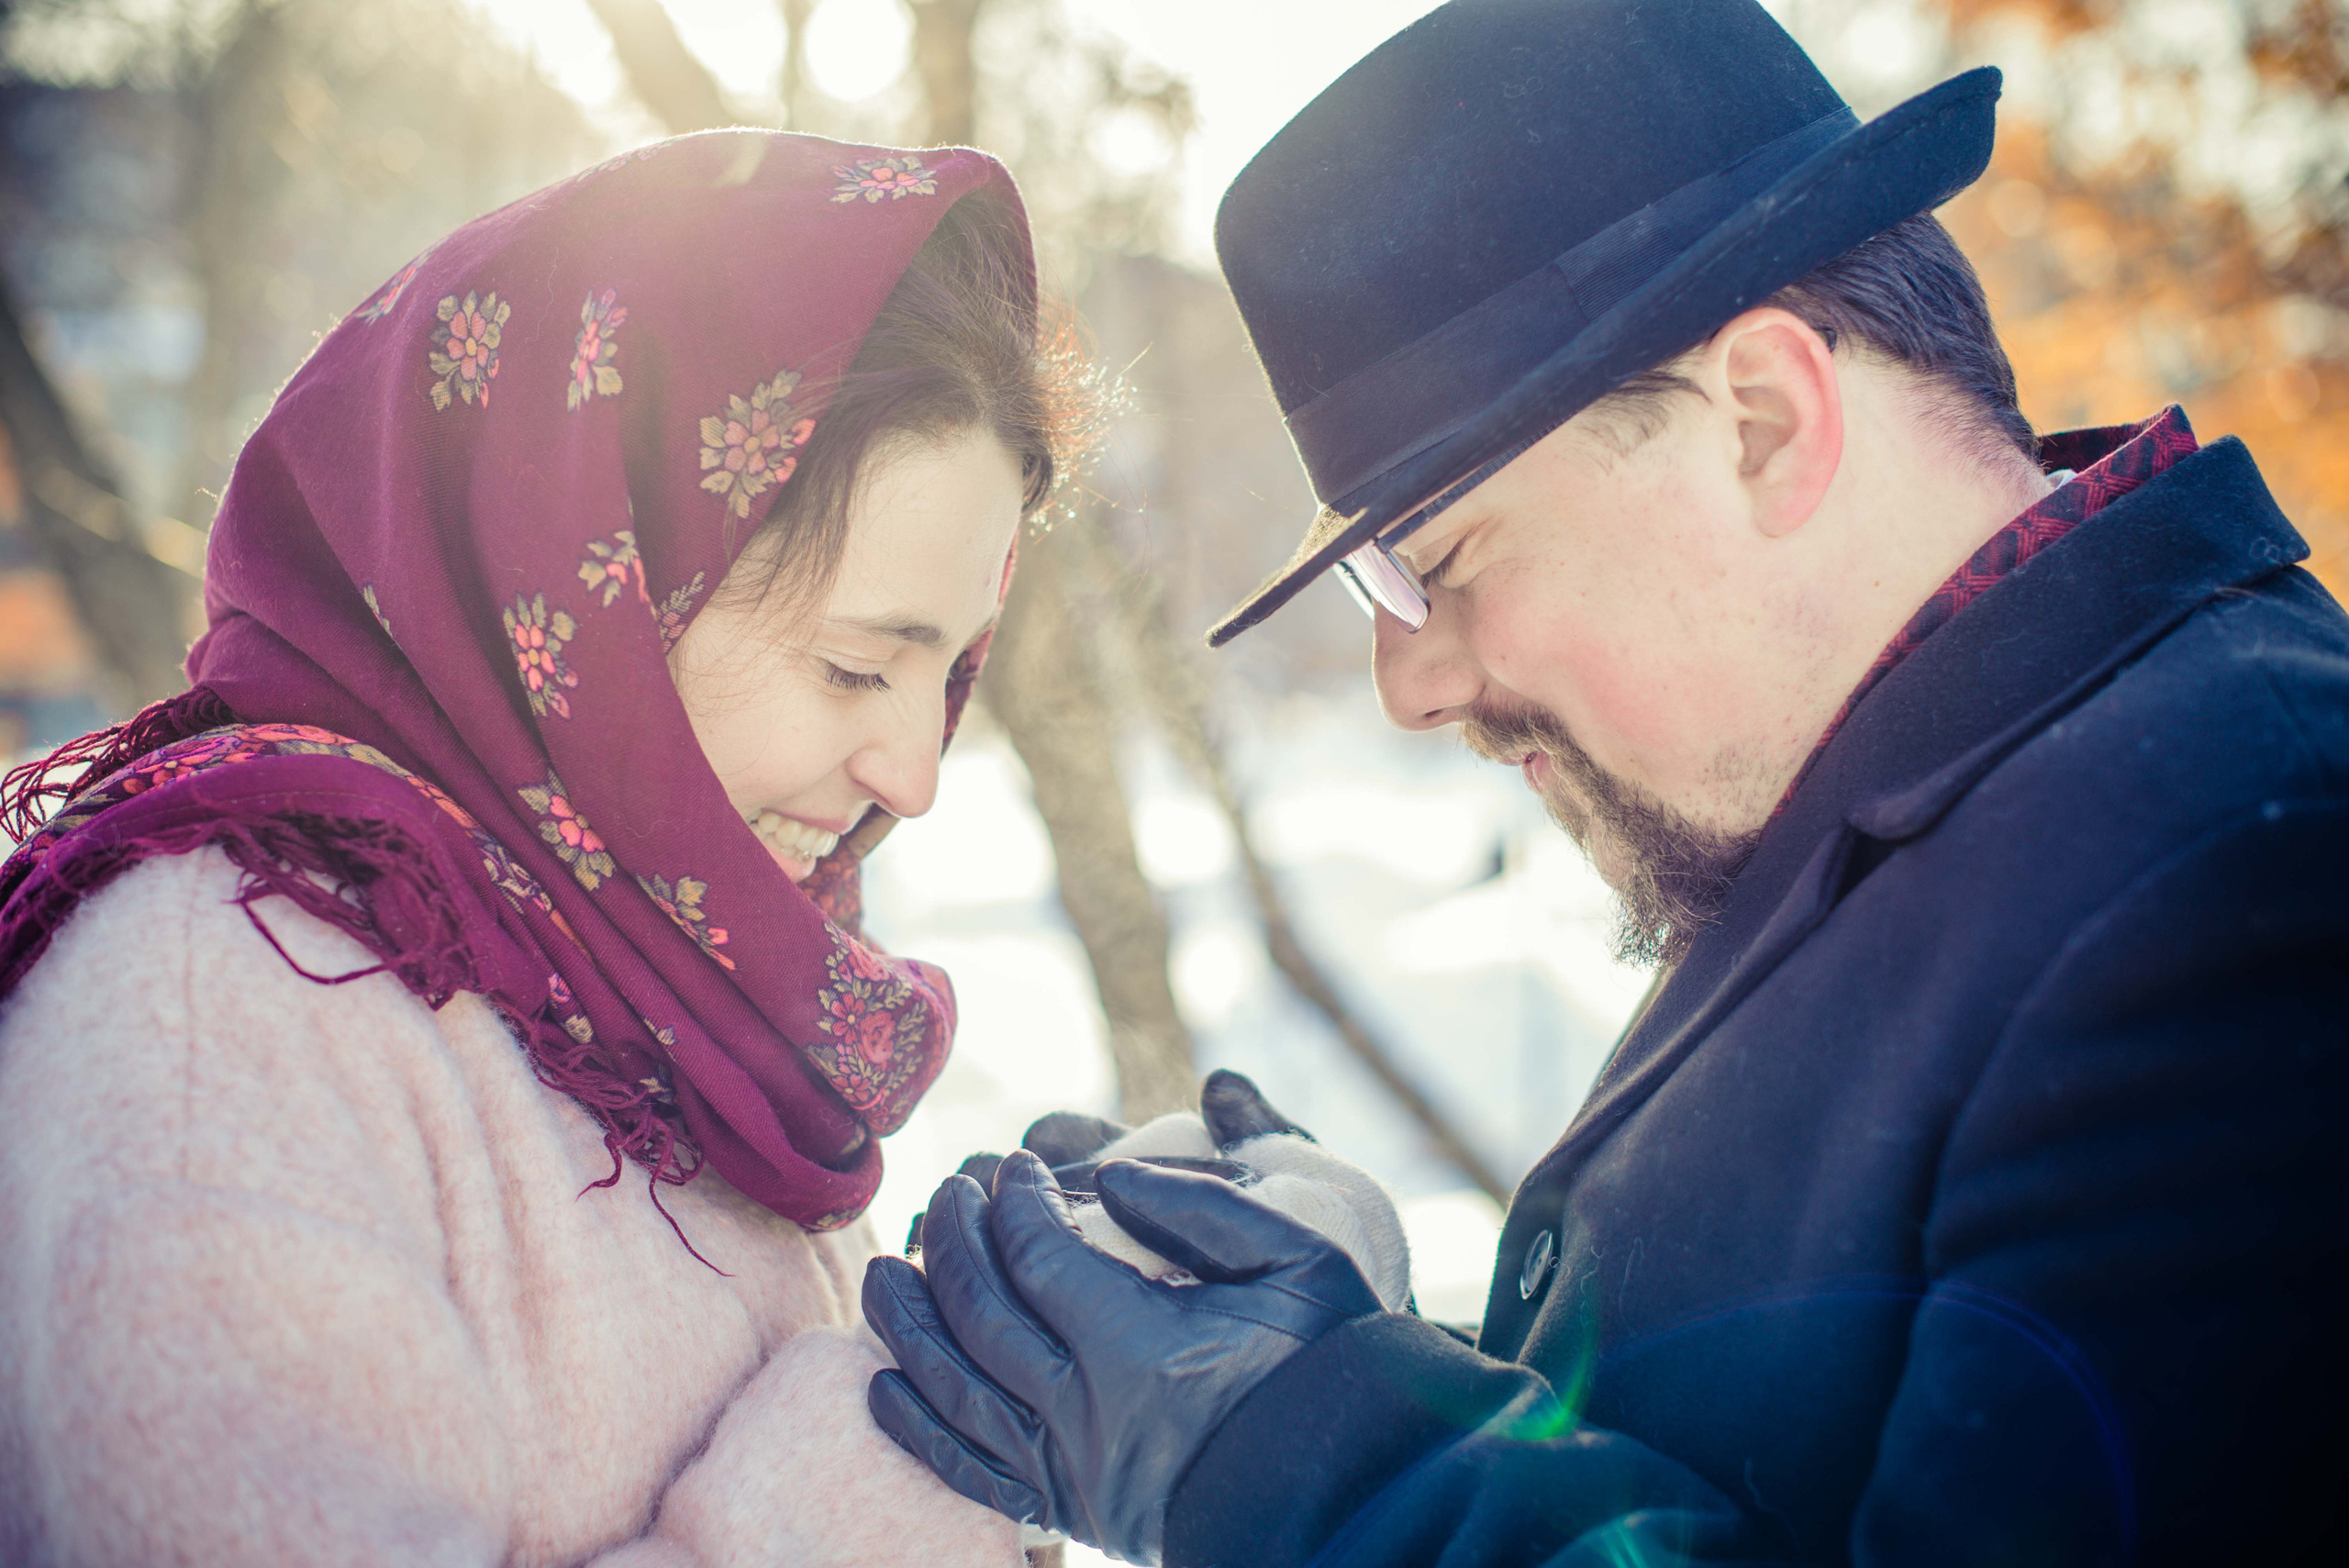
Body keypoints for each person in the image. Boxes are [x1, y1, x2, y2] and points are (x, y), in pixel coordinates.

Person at [858, 1, 2349, 1563]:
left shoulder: (2247, 870)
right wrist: (1367, 1350)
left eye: (1441, 560)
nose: (1410, 685)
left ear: (1764, 422)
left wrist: (1295, 1447)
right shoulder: (1898, 799)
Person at [0, 131, 1075, 1566]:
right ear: (590, 592)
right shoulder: (227, 1013)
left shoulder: (654, 976)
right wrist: (899, 1456)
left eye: (945, 674)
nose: (915, 775)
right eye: (850, 666)